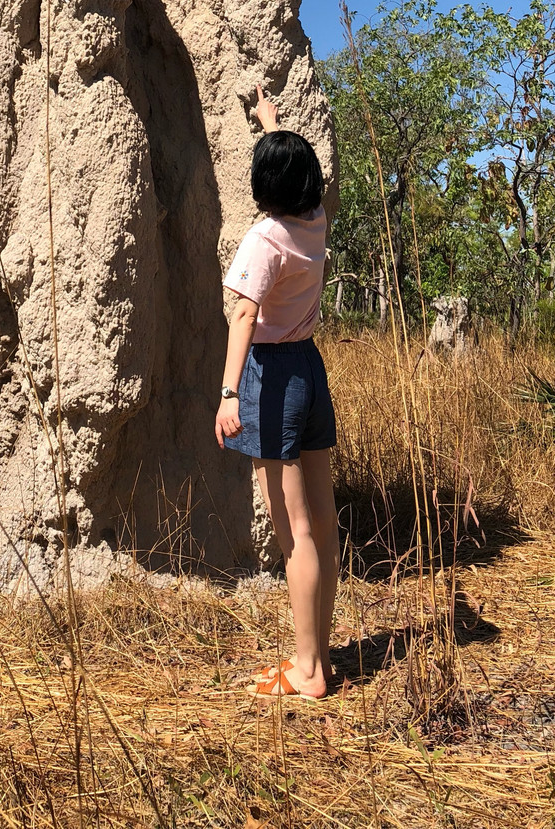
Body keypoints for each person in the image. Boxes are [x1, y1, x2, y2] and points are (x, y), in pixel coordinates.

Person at [215, 85, 339, 699]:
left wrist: (229, 392)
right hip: (310, 371)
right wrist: (273, 124)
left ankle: (307, 670)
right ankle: (319, 650)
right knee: (322, 517)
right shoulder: (313, 221)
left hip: (271, 376)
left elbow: (242, 314)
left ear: (264, 187)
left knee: (294, 530)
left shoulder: (264, 239)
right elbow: (292, 173)